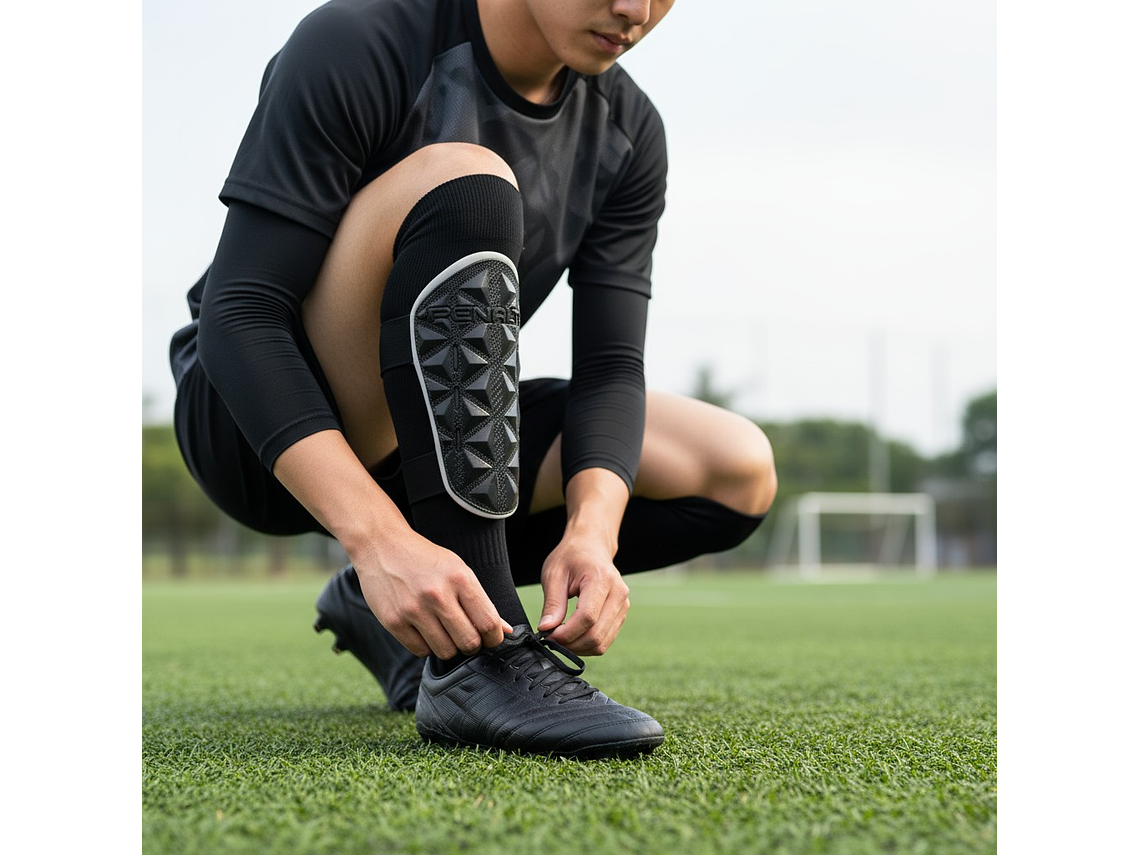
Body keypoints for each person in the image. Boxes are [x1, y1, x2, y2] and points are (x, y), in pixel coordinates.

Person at [169, 0, 777, 760]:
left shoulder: (628, 131)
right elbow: (241, 311)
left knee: (735, 465)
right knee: (467, 174)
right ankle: (477, 660)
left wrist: (593, 533)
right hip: (257, 421)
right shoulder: (364, 41)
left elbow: (610, 367)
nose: (634, 9)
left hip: (433, 423)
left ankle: (414, 603)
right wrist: (376, 537)